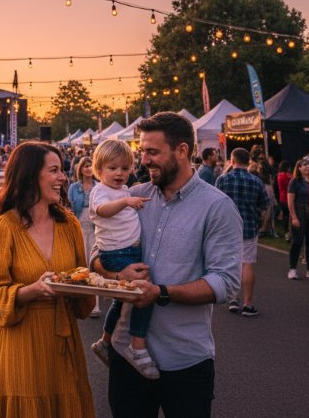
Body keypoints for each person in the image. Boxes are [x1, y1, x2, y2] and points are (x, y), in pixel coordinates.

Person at [99, 112, 241, 418]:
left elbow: (226, 283)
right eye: (142, 152)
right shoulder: (132, 197)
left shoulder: (217, 207)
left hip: (184, 359)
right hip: (126, 355)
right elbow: (96, 255)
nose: (143, 160)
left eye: (152, 152)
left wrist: (161, 292)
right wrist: (117, 273)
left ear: (182, 151)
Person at [0, 142, 94, 418]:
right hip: (21, 346)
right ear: (30, 176)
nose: (62, 177)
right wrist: (31, 291)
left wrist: (105, 281)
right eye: (54, 170)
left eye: (61, 170)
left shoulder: (70, 225)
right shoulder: (0, 228)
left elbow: (84, 285)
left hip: (64, 348)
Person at [88, 140, 157, 378]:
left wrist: (128, 195)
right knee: (144, 293)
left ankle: (105, 341)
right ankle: (137, 346)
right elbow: (102, 210)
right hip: (116, 253)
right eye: (112, 168)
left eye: (125, 168)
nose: (119, 173)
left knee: (120, 301)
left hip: (127, 251)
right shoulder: (100, 191)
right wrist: (126, 201)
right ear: (99, 170)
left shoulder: (123, 190)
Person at [216, 148, 269, 317]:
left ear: (232, 160)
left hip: (226, 228)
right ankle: (247, 304)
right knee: (246, 264)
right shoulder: (256, 181)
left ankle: (232, 299)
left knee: (230, 263)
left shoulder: (223, 179)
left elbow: (215, 203)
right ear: (248, 162)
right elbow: (265, 205)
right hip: (248, 227)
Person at [67, 155, 100, 317]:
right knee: (80, 263)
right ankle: (78, 301)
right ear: (80, 169)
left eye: (90, 165)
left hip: (95, 226)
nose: (88, 168)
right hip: (79, 224)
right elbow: (70, 207)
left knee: (93, 264)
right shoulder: (74, 187)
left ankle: (95, 304)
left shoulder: (99, 186)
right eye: (85, 166)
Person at [287, 158, 309, 281]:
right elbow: (290, 200)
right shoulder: (295, 182)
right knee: (297, 242)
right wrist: (294, 217)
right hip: (299, 212)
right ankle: (292, 269)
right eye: (304, 165)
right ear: (299, 168)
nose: (308, 166)